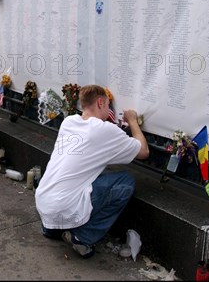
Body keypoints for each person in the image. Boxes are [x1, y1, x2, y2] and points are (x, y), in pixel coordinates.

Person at [35, 85, 150, 259]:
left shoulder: (69, 122)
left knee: (82, 181)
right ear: (100, 103)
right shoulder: (103, 129)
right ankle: (83, 237)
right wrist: (132, 120)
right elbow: (143, 152)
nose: (111, 110)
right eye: (109, 105)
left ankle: (52, 229)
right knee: (125, 181)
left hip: (43, 202)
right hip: (63, 205)